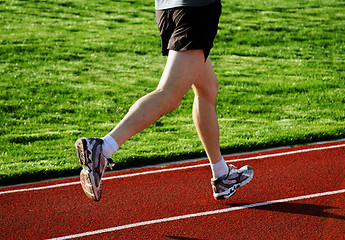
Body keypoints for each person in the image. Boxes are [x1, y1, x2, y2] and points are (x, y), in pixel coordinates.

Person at [75, 0, 254, 201]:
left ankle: (221, 174)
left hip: (167, 8)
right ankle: (103, 147)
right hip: (196, 10)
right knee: (169, 95)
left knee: (207, 88)